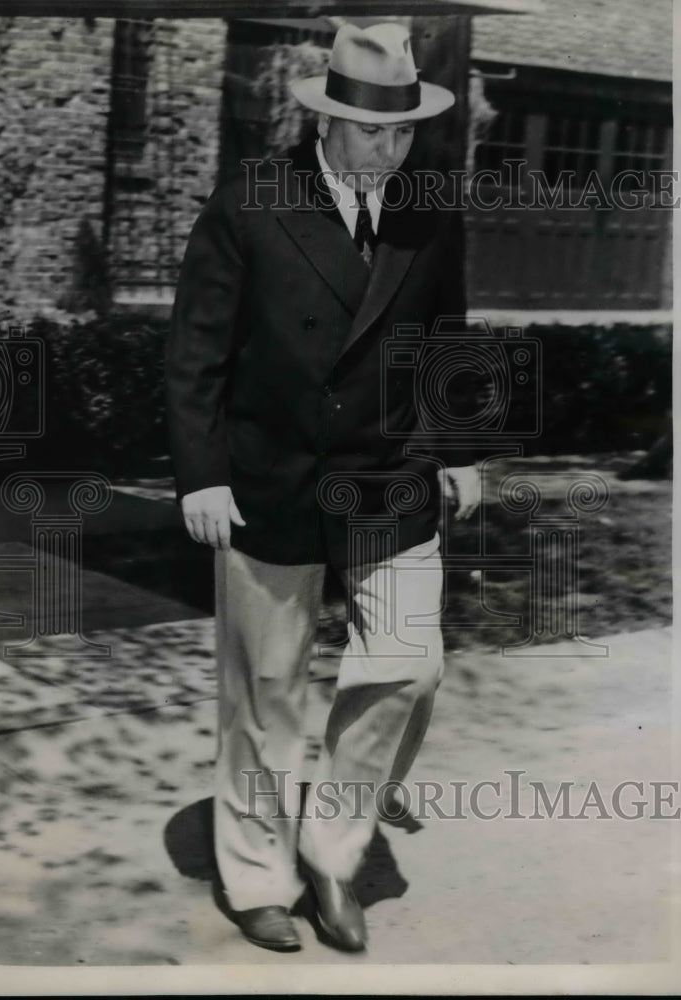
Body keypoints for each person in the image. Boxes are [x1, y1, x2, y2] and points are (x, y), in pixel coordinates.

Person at [166, 21, 481, 954]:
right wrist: (202, 475)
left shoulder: (429, 208)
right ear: (330, 121)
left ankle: (334, 850)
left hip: (389, 478)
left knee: (409, 662)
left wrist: (457, 446)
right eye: (373, 131)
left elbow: (448, 341)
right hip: (272, 476)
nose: (391, 149)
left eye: (405, 132)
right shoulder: (251, 202)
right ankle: (258, 875)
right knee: (266, 691)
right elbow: (195, 354)